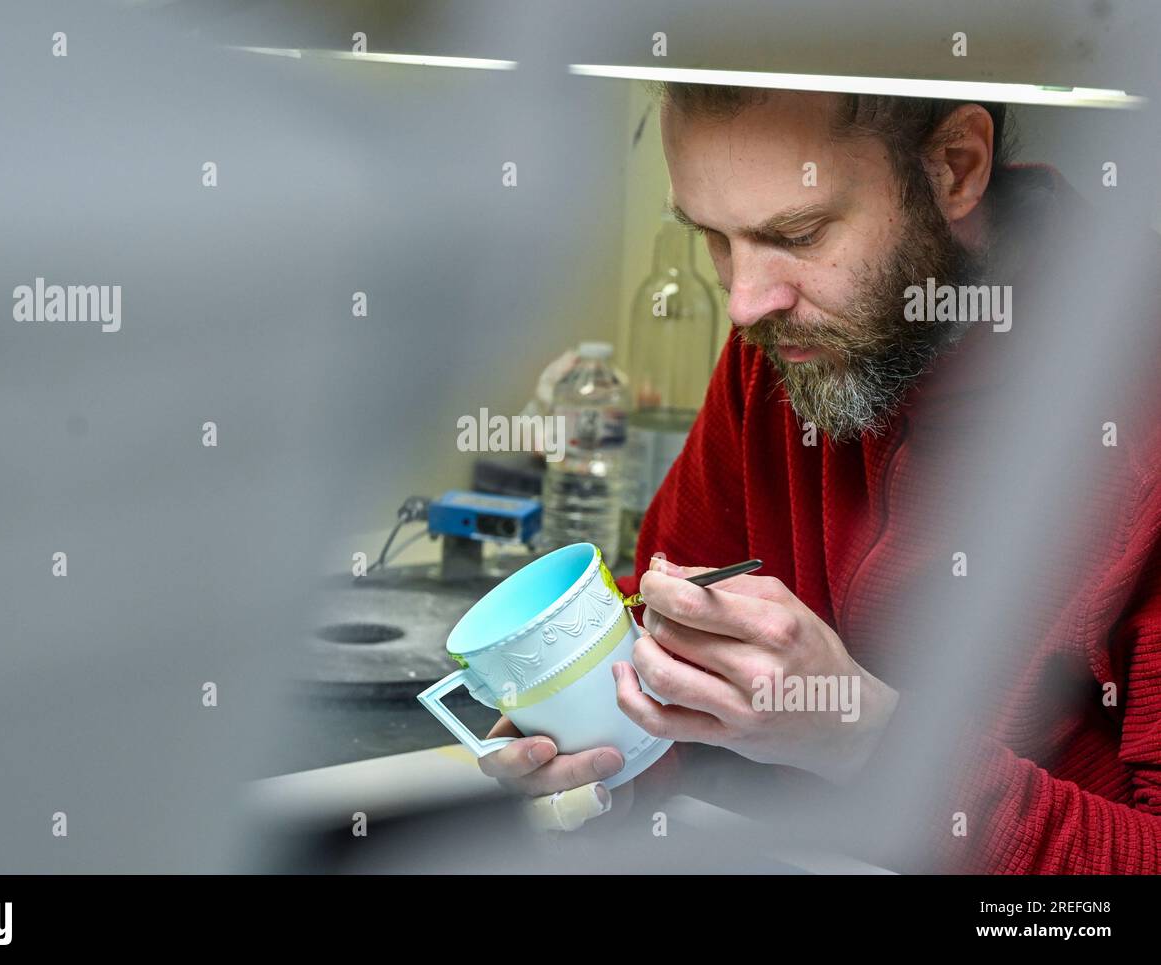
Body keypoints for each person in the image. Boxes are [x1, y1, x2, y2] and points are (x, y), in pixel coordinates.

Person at [478, 83, 1161, 872]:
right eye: (714, 237)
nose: (742, 303)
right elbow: (679, 661)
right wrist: (615, 752)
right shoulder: (791, 346)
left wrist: (870, 743)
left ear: (955, 167)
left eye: (797, 234)